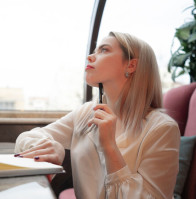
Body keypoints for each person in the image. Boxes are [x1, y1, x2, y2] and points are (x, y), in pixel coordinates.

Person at [14, 31, 180, 199]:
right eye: (94, 51)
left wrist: (109, 147)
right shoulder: (86, 113)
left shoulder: (163, 129)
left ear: (131, 65)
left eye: (104, 50)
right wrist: (52, 146)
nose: (90, 57)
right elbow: (27, 137)